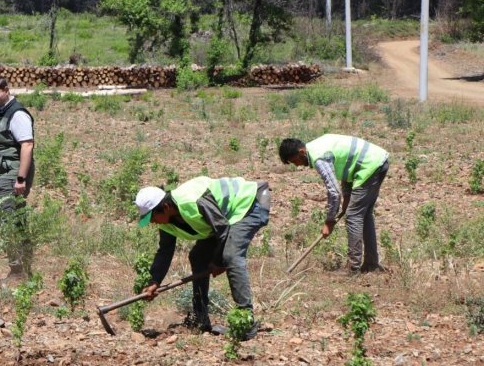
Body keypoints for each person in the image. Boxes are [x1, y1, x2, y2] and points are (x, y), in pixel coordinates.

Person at [134, 176, 270, 339]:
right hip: (223, 220)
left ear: (165, 207)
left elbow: (223, 229)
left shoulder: (194, 202)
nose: (152, 222)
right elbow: (165, 251)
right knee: (198, 257)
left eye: (152, 217)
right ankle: (200, 318)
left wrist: (218, 262)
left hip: (249, 203)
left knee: (231, 257)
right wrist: (154, 281)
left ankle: (245, 322)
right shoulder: (167, 221)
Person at [279, 135, 389, 274]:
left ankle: (353, 268)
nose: (298, 165)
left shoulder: (319, 157)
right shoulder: (316, 146)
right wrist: (348, 196)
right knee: (364, 215)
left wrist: (329, 221)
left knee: (353, 216)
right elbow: (347, 167)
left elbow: (334, 192)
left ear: (301, 152)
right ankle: (371, 265)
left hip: (371, 165)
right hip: (376, 161)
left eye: (295, 161)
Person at [0, 75, 35, 284]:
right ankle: (25, 267)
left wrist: (20, 179)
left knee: (7, 220)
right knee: (16, 219)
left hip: (13, 174)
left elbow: (27, 145)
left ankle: (17, 272)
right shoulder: (0, 112)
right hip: (4, 173)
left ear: (6, 90)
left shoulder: (17, 114)